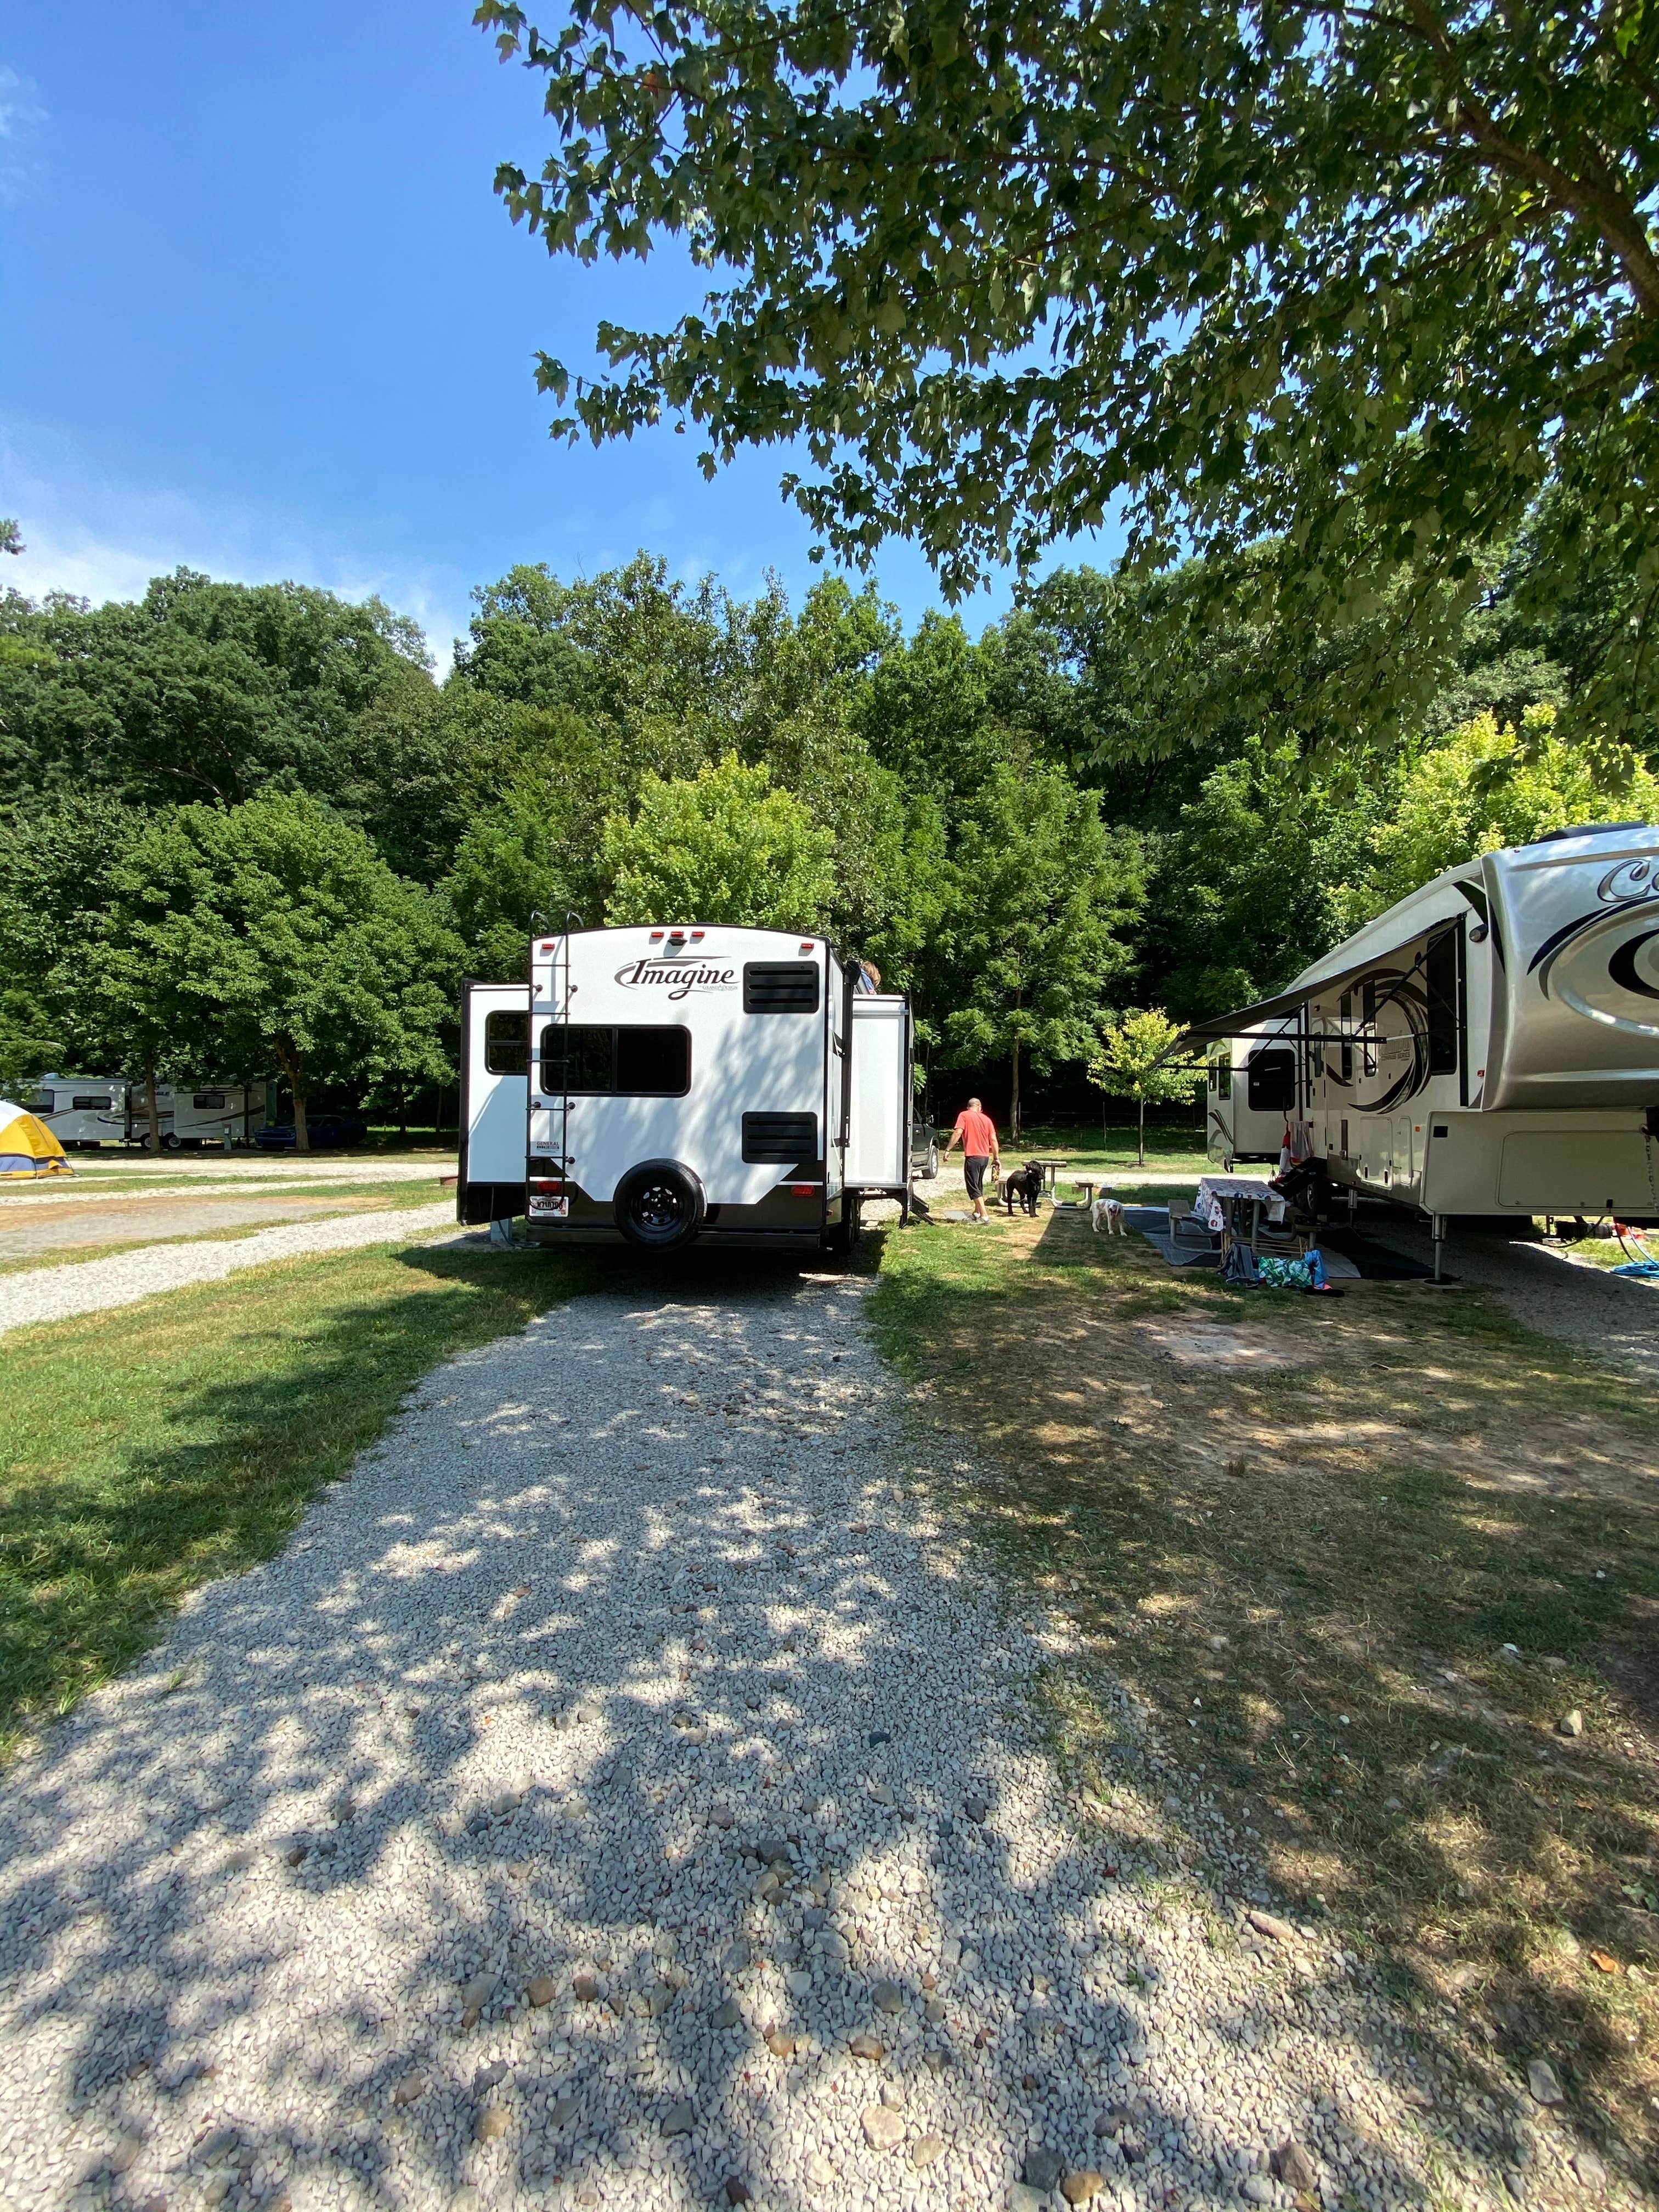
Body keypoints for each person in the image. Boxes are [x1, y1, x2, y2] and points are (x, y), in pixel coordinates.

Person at [940, 1096, 1001, 1221]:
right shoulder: (987, 1119)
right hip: (985, 1157)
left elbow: (958, 1132)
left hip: (973, 1157)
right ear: (979, 1107)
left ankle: (984, 1216)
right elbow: (994, 1140)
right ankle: (977, 1213)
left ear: (968, 1107)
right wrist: (996, 1158)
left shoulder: (964, 1115)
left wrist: (948, 1150)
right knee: (978, 1184)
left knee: (973, 1186)